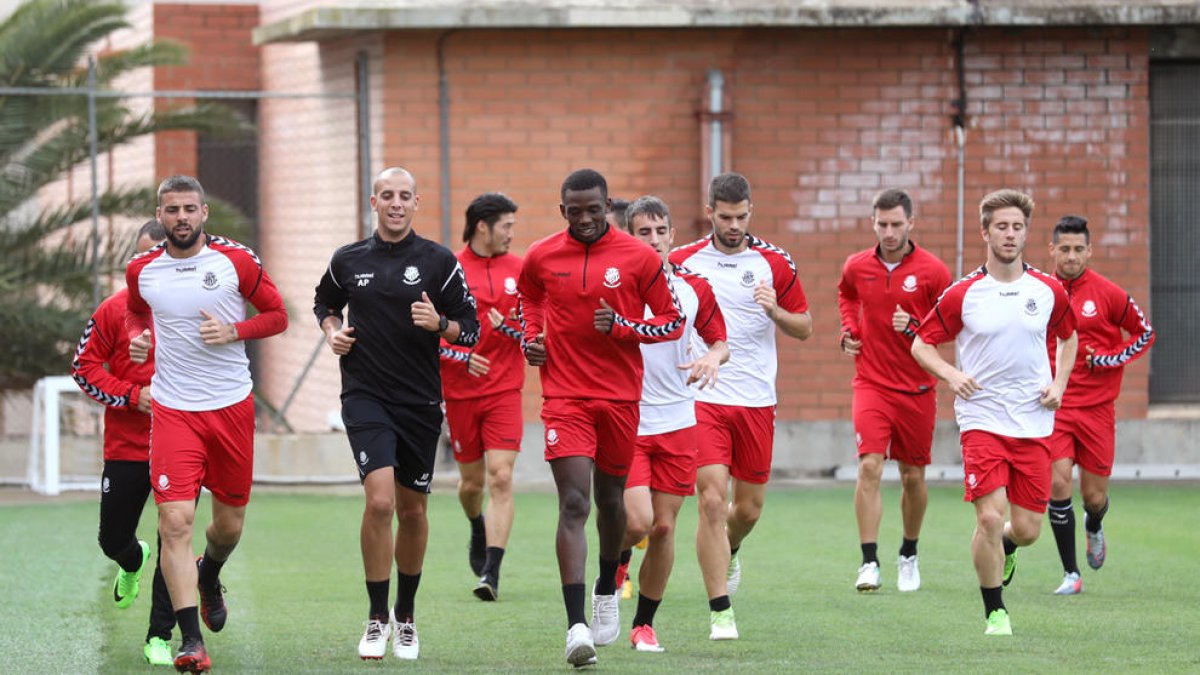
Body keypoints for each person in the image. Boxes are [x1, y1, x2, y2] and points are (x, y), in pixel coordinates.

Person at [517, 169, 683, 667]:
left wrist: (625, 326)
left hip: (620, 399)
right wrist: (533, 336)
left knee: (613, 502)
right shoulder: (541, 254)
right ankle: (575, 627)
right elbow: (527, 297)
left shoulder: (638, 257)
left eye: (595, 209)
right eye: (575, 210)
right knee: (574, 502)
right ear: (561, 209)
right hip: (564, 397)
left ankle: (607, 585)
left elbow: (671, 322)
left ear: (608, 206)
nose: (586, 218)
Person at [313, 167, 479, 661]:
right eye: (387, 195)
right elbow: (325, 301)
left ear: (416, 202)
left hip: (420, 403)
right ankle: (376, 617)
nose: (396, 203)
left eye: (405, 196)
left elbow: (469, 329)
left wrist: (441, 323)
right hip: (365, 396)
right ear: (373, 201)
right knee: (380, 502)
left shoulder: (438, 262)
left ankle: (406, 617)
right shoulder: (348, 260)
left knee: (413, 510)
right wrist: (332, 332)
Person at [126, 176, 289, 673]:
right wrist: (138, 338)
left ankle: (210, 572)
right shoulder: (142, 271)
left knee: (229, 525)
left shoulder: (236, 261)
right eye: (171, 209)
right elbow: (134, 314)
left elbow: (278, 315)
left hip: (232, 408)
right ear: (160, 213)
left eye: (189, 209)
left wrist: (235, 330)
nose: (181, 218)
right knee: (174, 522)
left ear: (204, 214)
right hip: (175, 411)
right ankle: (191, 641)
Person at [911, 189, 1077, 636]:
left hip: (1033, 422)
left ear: (1026, 234)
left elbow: (1069, 337)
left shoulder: (1047, 290)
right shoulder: (964, 293)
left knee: (1026, 529)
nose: (1009, 234)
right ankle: (995, 610)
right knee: (987, 515)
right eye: (1001, 226)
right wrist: (951, 374)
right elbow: (921, 343)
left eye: (1017, 227)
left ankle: (1008, 545)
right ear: (985, 232)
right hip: (981, 419)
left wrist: (1058, 384)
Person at [669, 172, 811, 640]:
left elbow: (805, 327)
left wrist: (775, 312)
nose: (734, 225)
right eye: (725, 217)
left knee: (745, 510)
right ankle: (720, 611)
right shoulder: (682, 261)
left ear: (751, 211)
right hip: (702, 394)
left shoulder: (773, 261)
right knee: (711, 500)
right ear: (710, 212)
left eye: (741, 216)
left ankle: (728, 549)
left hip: (756, 399)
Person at [617, 196, 729, 653]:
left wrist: (710, 356)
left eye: (661, 231)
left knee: (663, 528)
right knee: (638, 520)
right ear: (629, 237)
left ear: (672, 236)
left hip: (679, 422)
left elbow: (721, 341)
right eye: (644, 232)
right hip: (628, 420)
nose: (654, 240)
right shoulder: (616, 287)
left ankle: (644, 625)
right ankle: (614, 566)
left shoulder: (693, 288)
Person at [71, 220, 176, 666]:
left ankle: (160, 636)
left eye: (158, 255)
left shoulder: (196, 309)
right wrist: (135, 396)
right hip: (126, 447)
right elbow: (83, 368)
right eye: (141, 256)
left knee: (176, 537)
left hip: (180, 446)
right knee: (112, 538)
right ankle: (131, 562)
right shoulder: (114, 310)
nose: (148, 264)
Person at [837, 188, 950, 593]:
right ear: (873, 223)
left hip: (918, 388)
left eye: (896, 224)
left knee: (912, 477)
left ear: (910, 224)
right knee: (869, 466)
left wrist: (915, 325)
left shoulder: (934, 272)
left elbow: (949, 326)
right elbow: (846, 296)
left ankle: (909, 552)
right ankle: (869, 562)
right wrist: (850, 331)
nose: (888, 232)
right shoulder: (857, 266)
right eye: (882, 224)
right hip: (871, 383)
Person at [1044, 215, 1154, 595]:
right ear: (1052, 250)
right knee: (1058, 483)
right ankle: (1071, 574)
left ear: (1089, 251)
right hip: (1053, 407)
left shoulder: (1109, 293)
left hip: (1097, 411)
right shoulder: (1038, 292)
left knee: (1094, 497)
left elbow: (1145, 334)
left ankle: (1094, 524)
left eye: (1078, 250)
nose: (1071, 256)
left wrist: (1110, 359)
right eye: (1064, 249)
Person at [438, 193, 524, 601]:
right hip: (460, 395)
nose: (511, 233)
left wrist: (517, 330)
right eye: (506, 225)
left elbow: (536, 327)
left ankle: (491, 571)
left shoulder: (522, 271)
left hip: (506, 390)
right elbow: (429, 336)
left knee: (501, 477)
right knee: (472, 484)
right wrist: (461, 356)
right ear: (482, 226)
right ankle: (477, 524)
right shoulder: (447, 270)